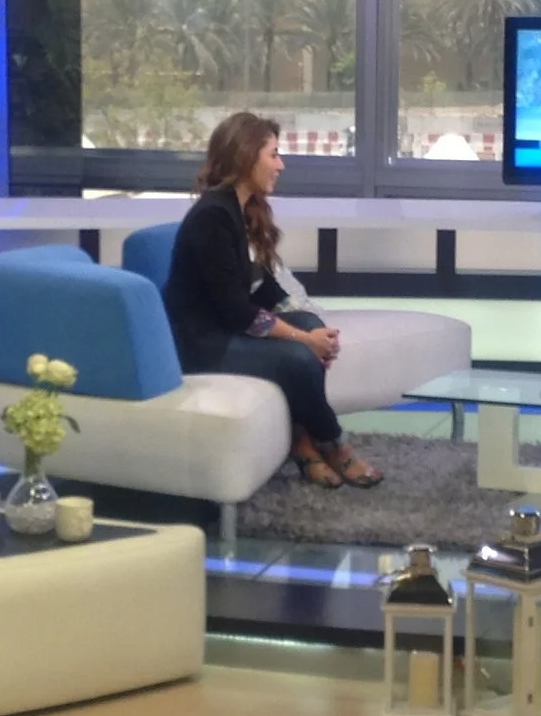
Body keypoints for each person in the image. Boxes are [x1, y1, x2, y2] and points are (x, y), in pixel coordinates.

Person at [162, 111, 382, 489]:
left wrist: (308, 325)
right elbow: (235, 312)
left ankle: (302, 443)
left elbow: (262, 287)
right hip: (203, 344)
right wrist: (303, 340)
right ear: (247, 157)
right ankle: (334, 444)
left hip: (229, 328)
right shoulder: (212, 218)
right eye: (274, 155)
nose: (281, 165)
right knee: (299, 358)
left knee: (311, 329)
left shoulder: (245, 208)